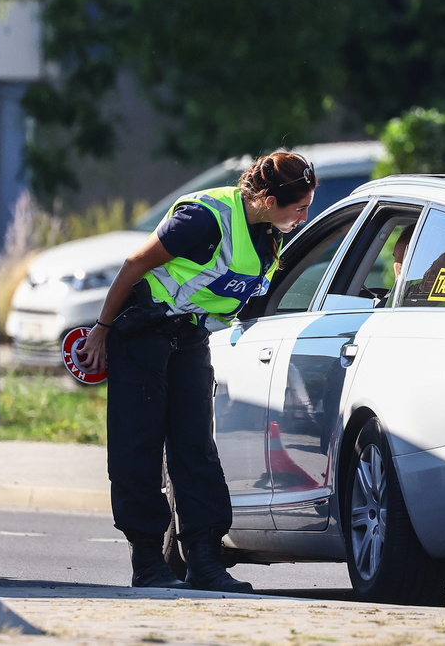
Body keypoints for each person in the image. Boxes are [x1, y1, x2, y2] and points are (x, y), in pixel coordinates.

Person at [79, 151, 316, 591]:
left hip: (188, 338)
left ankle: (205, 562)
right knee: (139, 447)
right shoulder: (204, 219)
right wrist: (101, 329)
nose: (304, 216)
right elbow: (134, 266)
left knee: (195, 447)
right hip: (142, 331)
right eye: (299, 207)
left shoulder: (267, 230)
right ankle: (148, 562)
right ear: (266, 198)